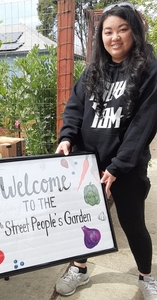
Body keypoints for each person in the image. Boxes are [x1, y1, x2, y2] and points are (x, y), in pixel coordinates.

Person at [55, 2, 157, 299]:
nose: (115, 37)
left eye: (122, 29)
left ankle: (146, 276)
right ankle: (79, 268)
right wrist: (67, 137)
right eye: (108, 31)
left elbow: (144, 123)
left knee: (133, 223)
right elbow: (74, 109)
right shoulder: (92, 71)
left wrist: (118, 166)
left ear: (134, 32)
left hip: (126, 166)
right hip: (87, 163)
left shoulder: (149, 70)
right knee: (84, 219)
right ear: (101, 37)